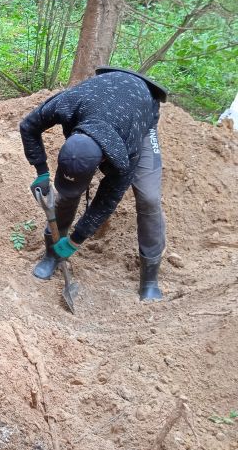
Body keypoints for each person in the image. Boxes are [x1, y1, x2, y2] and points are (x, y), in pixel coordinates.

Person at [19, 67, 168, 300]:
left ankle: (150, 278)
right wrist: (41, 171)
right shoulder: (68, 103)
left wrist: (78, 238)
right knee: (69, 192)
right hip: (100, 98)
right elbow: (28, 126)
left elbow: (107, 199)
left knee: (148, 198)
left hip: (141, 110)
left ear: (104, 159)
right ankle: (52, 254)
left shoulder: (128, 149)